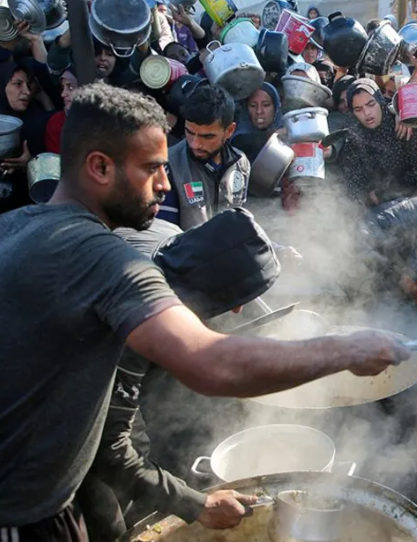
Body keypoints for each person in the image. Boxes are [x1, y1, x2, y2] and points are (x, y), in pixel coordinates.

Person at [0, 83, 409, 540]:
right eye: (152, 169)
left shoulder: (16, 224)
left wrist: (193, 503)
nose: (163, 183)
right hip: (22, 514)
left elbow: (109, 444)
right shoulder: (106, 259)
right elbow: (212, 364)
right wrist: (347, 350)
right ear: (99, 167)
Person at [79, 210, 280, 539]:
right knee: (109, 514)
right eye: (233, 300)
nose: (238, 309)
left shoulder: (175, 240)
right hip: (46, 423)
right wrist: (196, 504)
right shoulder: (136, 312)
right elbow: (112, 450)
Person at [159, 85, 250, 230]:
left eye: (207, 137)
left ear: (229, 131)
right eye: (189, 132)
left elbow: (239, 222)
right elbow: (164, 234)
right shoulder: (168, 166)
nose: (195, 144)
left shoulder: (241, 163)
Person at [339, 78, 417, 205]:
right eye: (358, 109)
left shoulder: (401, 126)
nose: (367, 113)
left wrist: (385, 194)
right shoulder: (353, 135)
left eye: (371, 104)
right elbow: (352, 181)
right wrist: (366, 196)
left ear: (380, 101)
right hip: (372, 208)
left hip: (411, 201)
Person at [0, 62, 54, 211]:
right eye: (18, 84)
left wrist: (30, 165)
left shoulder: (39, 121)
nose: (27, 92)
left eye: (29, 85)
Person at [44, 68, 77, 154]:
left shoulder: (104, 120)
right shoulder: (57, 122)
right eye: (63, 87)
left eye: (70, 87)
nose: (63, 94)